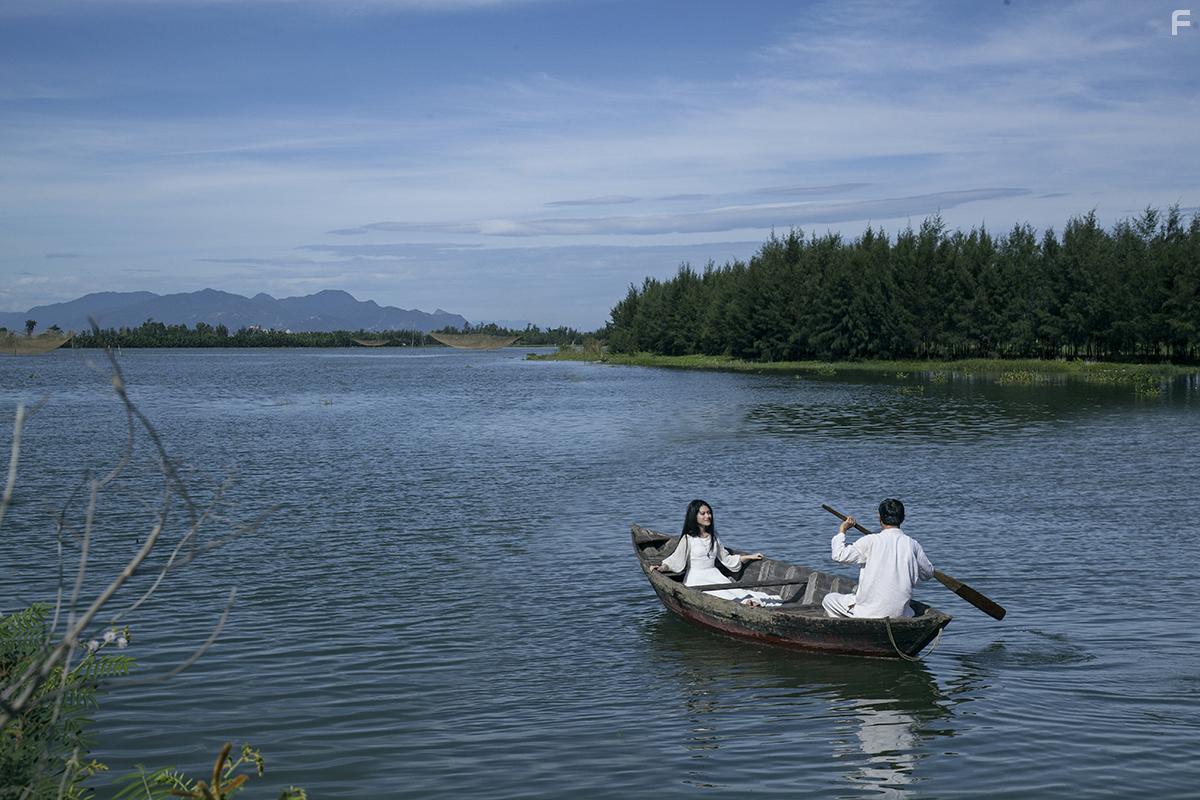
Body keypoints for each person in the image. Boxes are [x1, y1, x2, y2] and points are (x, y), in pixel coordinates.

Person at [649, 499, 780, 607]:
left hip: (714, 575)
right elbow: (675, 560)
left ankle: (750, 602)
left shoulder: (713, 536)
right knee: (721, 595)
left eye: (709, 513)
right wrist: (661, 567)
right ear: (694, 516)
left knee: (735, 591)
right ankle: (746, 604)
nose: (708, 516)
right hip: (696, 578)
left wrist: (749, 557)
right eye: (703, 513)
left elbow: (726, 558)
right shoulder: (688, 539)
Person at [822, 498, 934, 618]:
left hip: (868, 613)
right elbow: (928, 574)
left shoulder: (871, 541)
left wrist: (842, 530)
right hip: (902, 614)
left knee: (829, 599)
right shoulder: (913, 544)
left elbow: (838, 555)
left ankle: (846, 630)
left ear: (879, 518)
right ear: (903, 517)